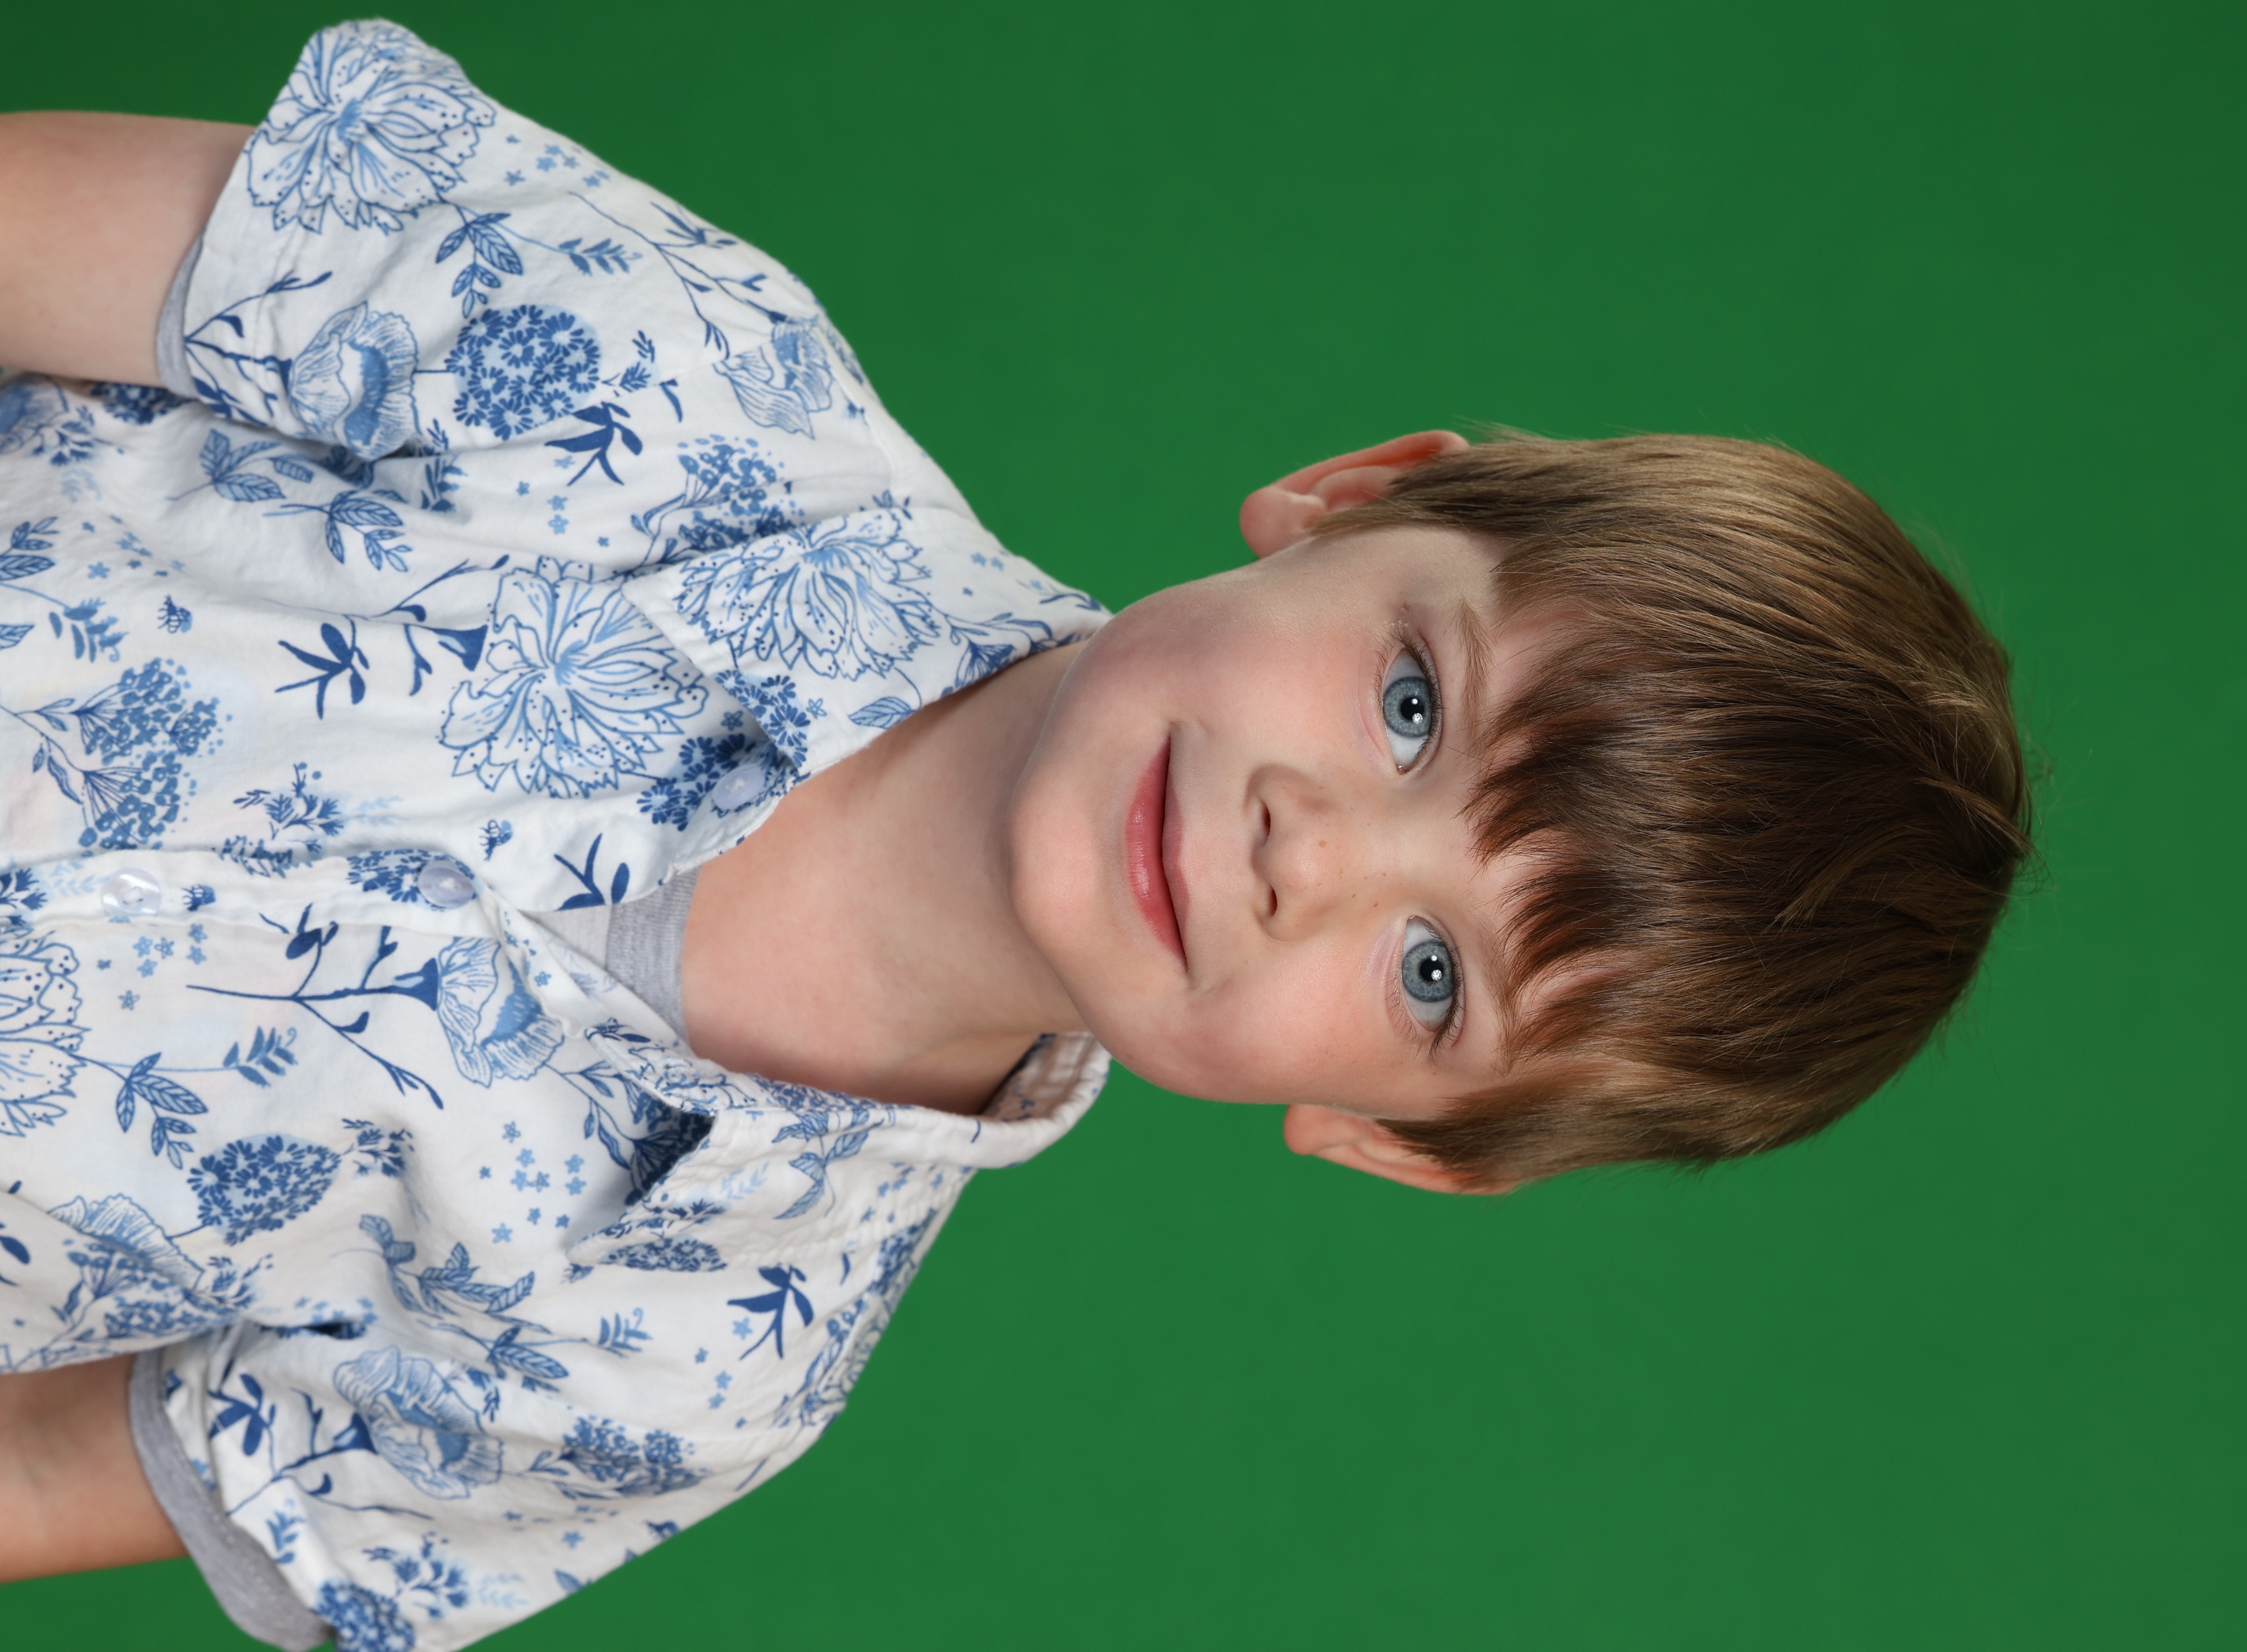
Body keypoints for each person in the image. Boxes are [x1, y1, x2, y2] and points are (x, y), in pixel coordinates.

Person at [0, 21, 2030, 1652]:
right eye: (1413, 705)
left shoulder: (690, 1369)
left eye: (1433, 975)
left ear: (1401, 1140)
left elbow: (53, 1469)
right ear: (1356, 498)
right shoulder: (676, 375)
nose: (1309, 853)